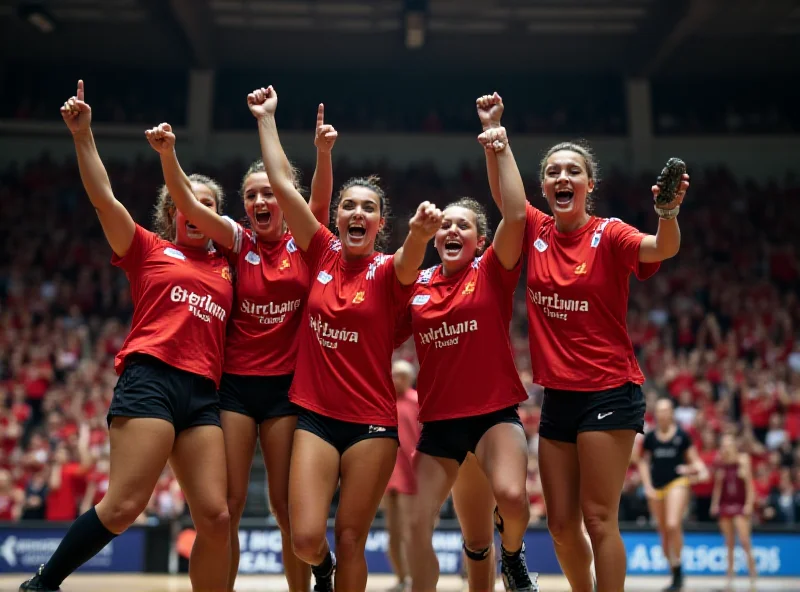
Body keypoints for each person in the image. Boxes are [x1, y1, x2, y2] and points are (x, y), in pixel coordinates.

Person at [21, 80, 233, 592]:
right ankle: (44, 583)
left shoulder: (231, 266)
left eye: (207, 203)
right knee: (122, 506)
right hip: (150, 380)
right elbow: (102, 198)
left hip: (203, 394)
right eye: (189, 201)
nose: (196, 209)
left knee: (217, 517)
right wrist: (83, 136)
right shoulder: (147, 248)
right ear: (172, 209)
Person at [479, 90, 691, 592]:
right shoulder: (535, 229)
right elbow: (507, 201)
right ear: (545, 186)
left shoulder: (610, 234)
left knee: (599, 520)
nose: (561, 178)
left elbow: (662, 247)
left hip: (609, 391)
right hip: (560, 396)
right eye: (552, 172)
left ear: (589, 184)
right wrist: (496, 137)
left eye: (572, 170)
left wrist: (668, 213)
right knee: (558, 526)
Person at [249, 84, 442, 592]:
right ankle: (323, 570)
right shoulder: (321, 252)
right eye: (348, 206)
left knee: (353, 537)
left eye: (368, 208)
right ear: (335, 216)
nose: (357, 213)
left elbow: (409, 258)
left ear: (380, 222)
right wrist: (266, 118)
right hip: (313, 415)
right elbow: (282, 186)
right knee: (305, 538)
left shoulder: (388, 271)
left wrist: (420, 233)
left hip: (372, 426)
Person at [144, 103, 338, 592]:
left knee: (284, 507)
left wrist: (321, 152)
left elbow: (318, 197)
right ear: (245, 205)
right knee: (224, 508)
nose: (259, 200)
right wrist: (170, 157)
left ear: (283, 196)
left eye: (269, 191)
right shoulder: (235, 240)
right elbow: (189, 206)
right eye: (251, 195)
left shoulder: (305, 240)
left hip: (285, 392)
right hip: (231, 389)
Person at [404, 97, 535, 592]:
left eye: (464, 225)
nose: (452, 230)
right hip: (439, 423)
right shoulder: (415, 282)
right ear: (435, 237)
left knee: (512, 498)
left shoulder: (491, 272)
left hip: (494, 414)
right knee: (427, 526)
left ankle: (516, 557)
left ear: (480, 240)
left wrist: (497, 141)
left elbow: (518, 215)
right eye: (446, 226)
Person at [636, 397, 709, 592]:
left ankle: (678, 561)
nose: (662, 414)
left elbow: (696, 462)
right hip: (656, 487)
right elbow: (641, 461)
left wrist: (692, 468)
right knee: (663, 532)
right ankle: (676, 570)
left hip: (677, 483)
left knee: (672, 524)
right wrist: (648, 486)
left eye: (666, 410)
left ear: (672, 413)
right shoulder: (650, 437)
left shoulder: (682, 436)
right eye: (659, 410)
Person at [381, 360, 421, 592]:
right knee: (392, 531)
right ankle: (401, 577)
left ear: (409, 378)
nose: (397, 379)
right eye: (394, 374)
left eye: (401, 375)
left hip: (412, 473)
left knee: (410, 529)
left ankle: (416, 577)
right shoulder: (384, 400)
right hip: (388, 473)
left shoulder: (417, 401)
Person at [711, 433, 757, 590]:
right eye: (723, 445)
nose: (726, 447)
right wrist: (715, 504)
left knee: (745, 541)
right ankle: (729, 578)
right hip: (725, 503)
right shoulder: (720, 463)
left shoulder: (743, 460)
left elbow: (750, 485)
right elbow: (718, 487)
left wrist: (749, 504)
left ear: (734, 445)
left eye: (728, 444)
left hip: (740, 504)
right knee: (728, 543)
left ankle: (753, 575)